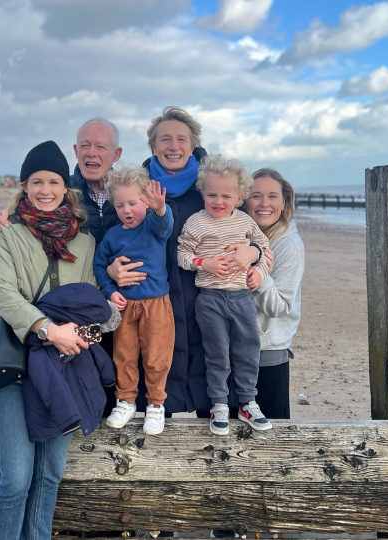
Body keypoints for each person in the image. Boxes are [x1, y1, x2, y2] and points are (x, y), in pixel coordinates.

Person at [108, 106, 263, 417]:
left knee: (213, 389)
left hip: (206, 306)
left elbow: (252, 232)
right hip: (152, 307)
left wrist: (255, 255)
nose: (173, 146)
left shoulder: (210, 190)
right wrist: (111, 270)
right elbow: (111, 237)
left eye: (181, 139)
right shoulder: (138, 193)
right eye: (165, 139)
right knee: (154, 395)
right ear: (152, 146)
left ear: (193, 146)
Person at [0, 140, 96, 539]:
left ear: (67, 188)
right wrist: (48, 329)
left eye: (53, 181)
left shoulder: (84, 241)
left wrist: (84, 333)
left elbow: (91, 301)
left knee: (50, 474)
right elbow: (0, 294)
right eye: (36, 181)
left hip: (62, 366)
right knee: (16, 477)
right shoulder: (4, 234)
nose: (45, 190)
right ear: (24, 186)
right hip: (12, 364)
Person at [176, 154, 272, 435]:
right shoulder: (196, 223)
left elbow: (265, 249)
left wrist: (259, 271)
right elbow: (182, 254)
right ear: (202, 192)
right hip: (210, 298)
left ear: (240, 196)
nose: (218, 201)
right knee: (217, 354)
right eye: (212, 194)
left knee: (247, 351)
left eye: (226, 196)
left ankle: (247, 402)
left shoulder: (245, 222)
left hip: (242, 296)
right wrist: (203, 263)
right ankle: (218, 403)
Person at [94, 166, 174, 435]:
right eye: (119, 205)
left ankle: (155, 405)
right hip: (125, 307)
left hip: (156, 305)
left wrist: (160, 208)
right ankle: (126, 401)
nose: (127, 210)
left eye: (133, 202)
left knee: (156, 356)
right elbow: (98, 265)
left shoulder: (153, 226)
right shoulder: (113, 236)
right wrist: (109, 289)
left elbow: (165, 223)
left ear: (146, 201)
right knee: (124, 356)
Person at [244, 168, 305, 420]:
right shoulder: (239, 235)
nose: (264, 204)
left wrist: (258, 274)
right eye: (256, 196)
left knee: (271, 436)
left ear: (284, 202)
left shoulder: (289, 245)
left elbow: (280, 306)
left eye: (272, 196)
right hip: (232, 349)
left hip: (267, 353)